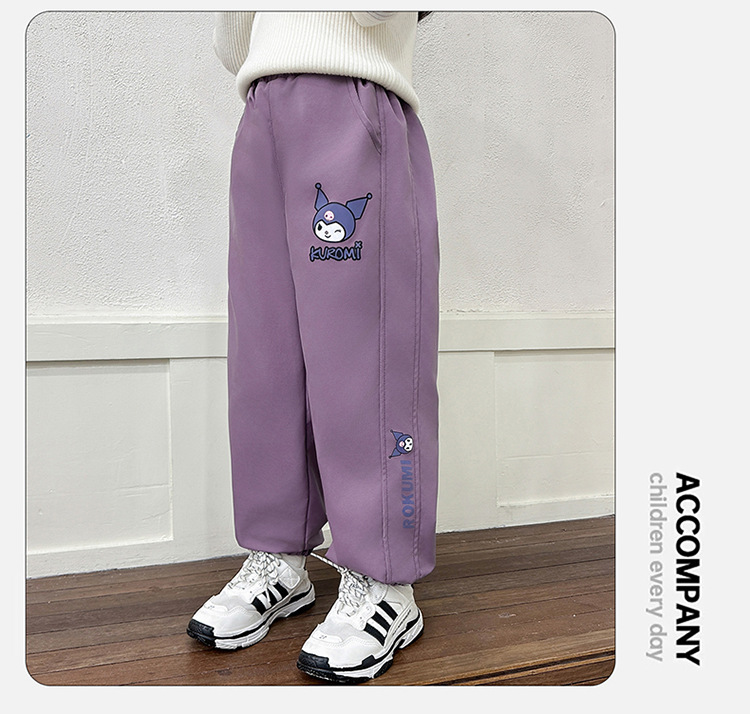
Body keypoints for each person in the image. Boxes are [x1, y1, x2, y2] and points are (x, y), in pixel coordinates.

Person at [187, 11, 440, 684]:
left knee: (365, 354)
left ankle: (385, 581)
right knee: (266, 353)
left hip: (353, 96)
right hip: (262, 104)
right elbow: (232, 43)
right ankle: (279, 557)